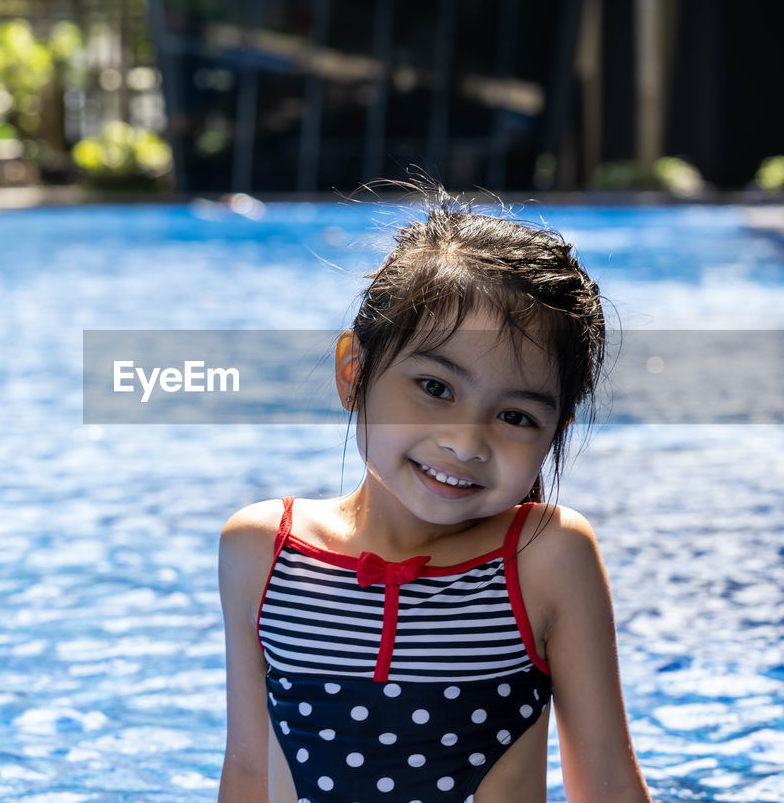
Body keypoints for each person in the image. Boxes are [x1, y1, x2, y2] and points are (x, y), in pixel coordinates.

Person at [217, 185, 652, 802]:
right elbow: (247, 771)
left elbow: (607, 785)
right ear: (354, 372)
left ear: (556, 432)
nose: (467, 442)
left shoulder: (544, 558)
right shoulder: (264, 551)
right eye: (436, 387)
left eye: (517, 417)